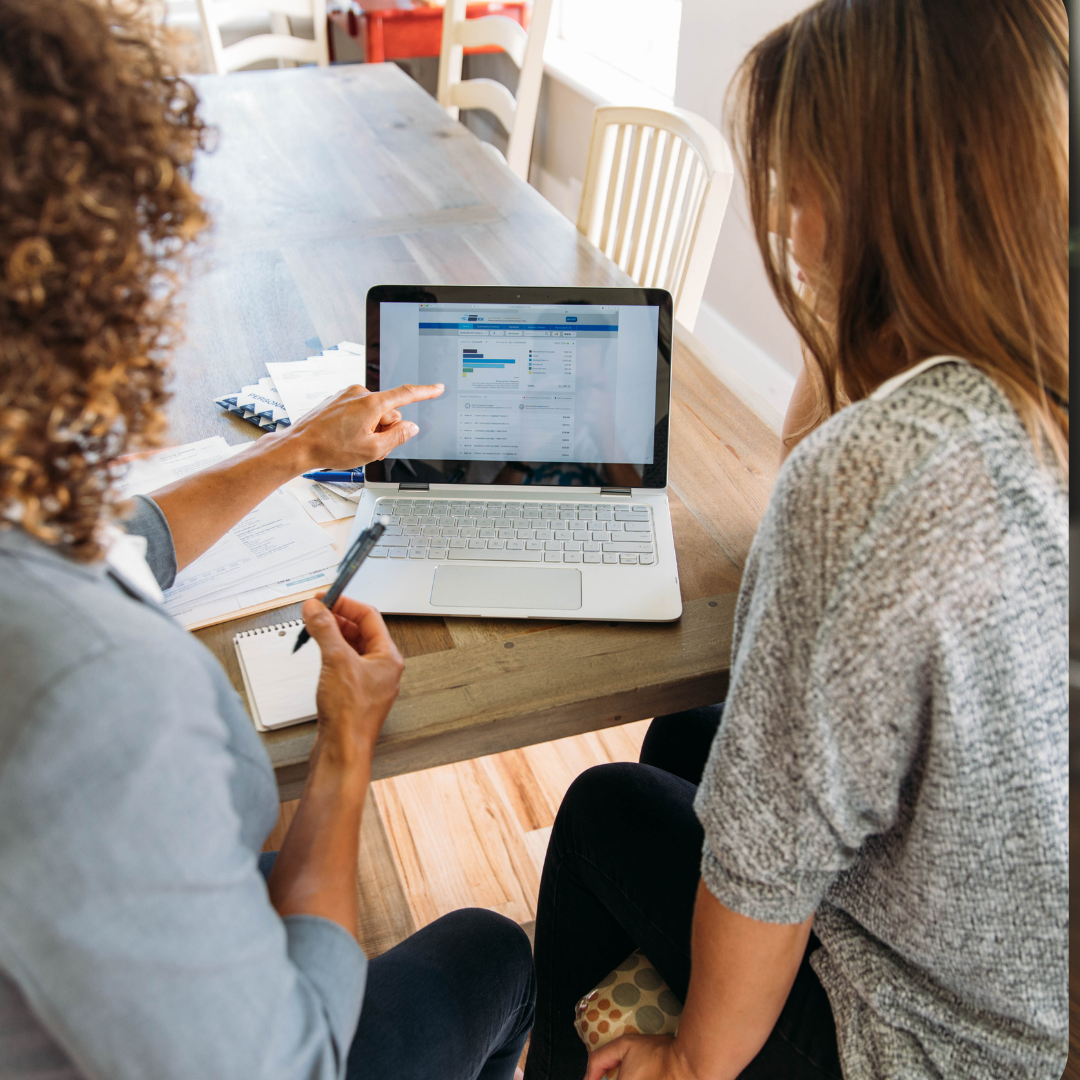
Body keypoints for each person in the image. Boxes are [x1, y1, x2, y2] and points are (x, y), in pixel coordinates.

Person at [523, 0, 1068, 1078]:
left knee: (601, 809)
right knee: (694, 730)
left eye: (801, 180)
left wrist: (691, 1064)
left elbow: (765, 869)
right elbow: (814, 451)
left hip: (921, 1039)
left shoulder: (872, 475)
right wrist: (850, 320)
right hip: (1020, 978)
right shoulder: (1027, 382)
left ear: (885, 194)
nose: (780, 218)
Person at [0, 2, 534, 1078]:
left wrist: (298, 450)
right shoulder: (96, 695)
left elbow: (123, 539)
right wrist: (345, 748)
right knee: (495, 952)